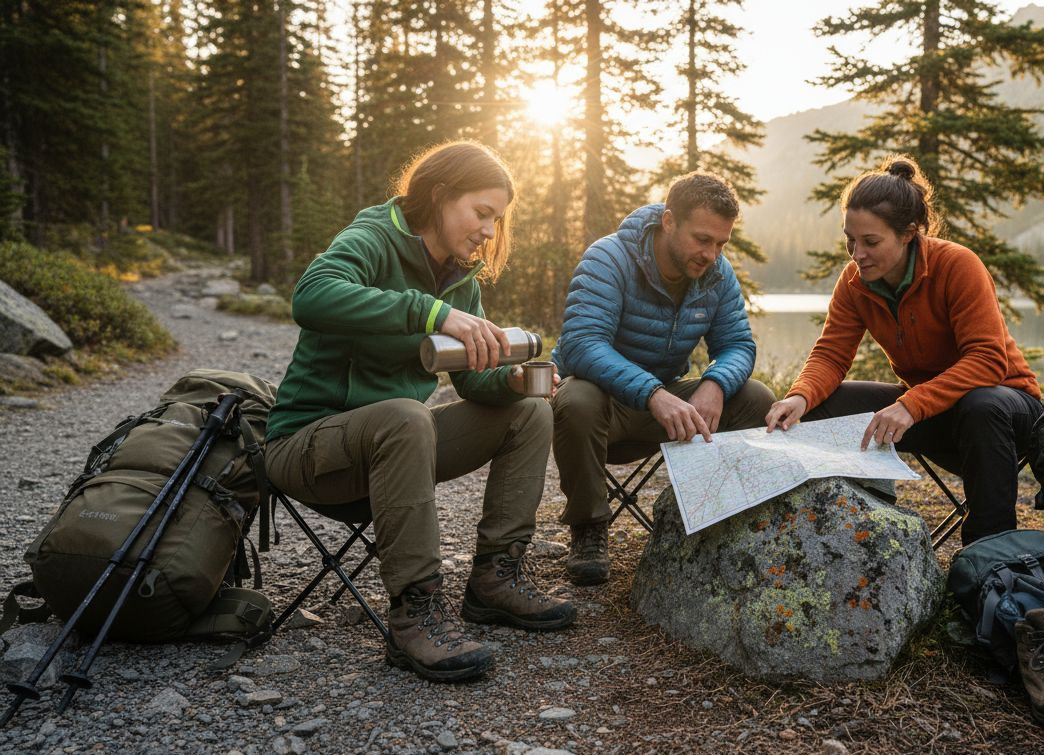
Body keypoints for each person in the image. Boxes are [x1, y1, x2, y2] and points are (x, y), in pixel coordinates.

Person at [264, 140, 574, 684]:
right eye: (481, 213)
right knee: (407, 415)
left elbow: (472, 382)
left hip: (395, 453)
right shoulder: (373, 237)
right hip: (310, 447)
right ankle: (415, 614)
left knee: (528, 410)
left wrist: (510, 380)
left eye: (497, 220)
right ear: (440, 195)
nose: (489, 231)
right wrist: (429, 312)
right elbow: (310, 297)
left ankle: (495, 580)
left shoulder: (460, 277)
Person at [764, 155, 1042, 545]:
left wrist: (911, 405)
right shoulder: (855, 282)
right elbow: (831, 355)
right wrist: (800, 396)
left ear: (908, 233)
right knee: (820, 406)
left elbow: (988, 360)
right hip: (931, 412)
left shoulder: (957, 265)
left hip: (1007, 412)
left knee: (982, 405)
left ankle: (991, 554)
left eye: (870, 241)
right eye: (850, 239)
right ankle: (846, 528)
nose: (857, 253)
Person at [551, 171, 776, 585]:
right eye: (702, 239)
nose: (711, 255)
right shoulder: (608, 258)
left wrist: (715, 383)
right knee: (576, 398)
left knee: (756, 398)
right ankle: (588, 528)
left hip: (667, 408)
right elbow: (582, 343)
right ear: (669, 221)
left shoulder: (717, 274)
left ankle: (713, 516)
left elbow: (737, 344)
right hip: (604, 410)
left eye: (721, 244)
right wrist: (652, 393)